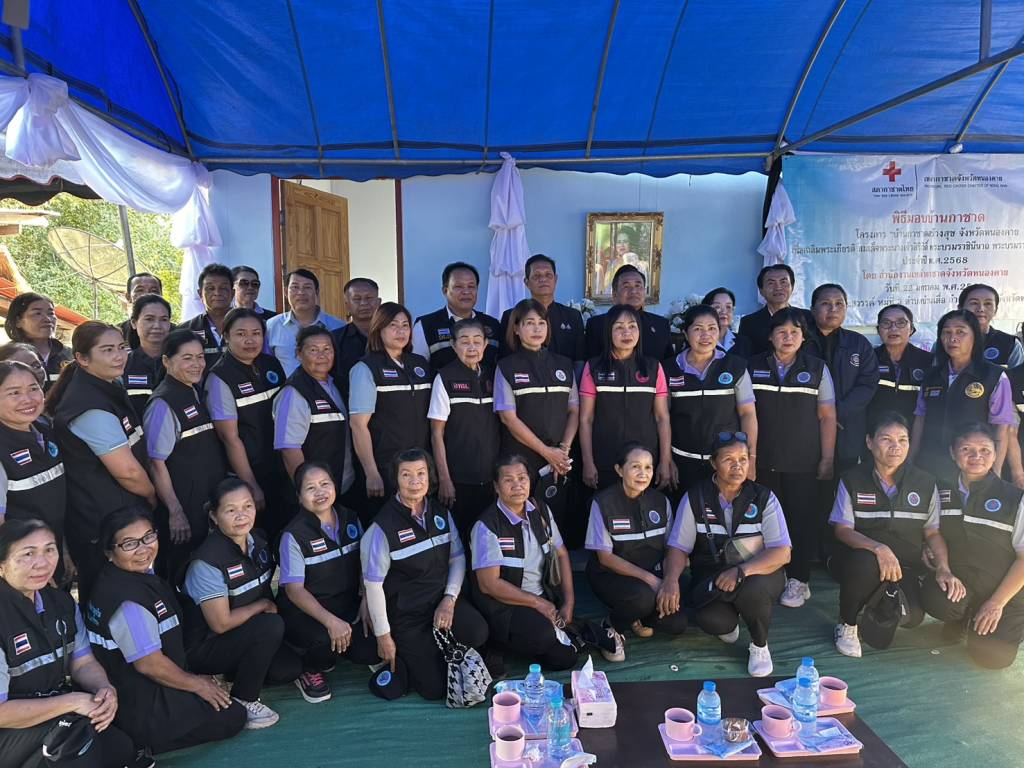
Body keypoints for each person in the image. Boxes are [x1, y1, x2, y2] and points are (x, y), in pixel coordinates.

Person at [85, 507, 246, 754]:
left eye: (148, 537)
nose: (143, 549)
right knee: (233, 717)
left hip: (139, 689)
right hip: (142, 703)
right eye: (129, 544)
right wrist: (198, 685)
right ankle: (141, 742)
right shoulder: (128, 602)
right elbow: (149, 665)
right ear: (109, 552)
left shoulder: (123, 577)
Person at [0, 519, 135, 768]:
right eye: (28, 554)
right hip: (9, 728)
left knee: (121, 748)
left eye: (49, 550)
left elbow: (83, 663)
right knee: (78, 748)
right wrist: (73, 702)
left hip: (53, 713)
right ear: (1, 565)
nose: (42, 563)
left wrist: (104, 689)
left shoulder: (61, 603)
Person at [828, 412, 960, 658]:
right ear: (869, 442)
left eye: (902, 440)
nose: (895, 447)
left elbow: (932, 532)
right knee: (863, 563)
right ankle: (847, 622)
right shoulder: (852, 478)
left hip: (904, 567)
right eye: (886, 439)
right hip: (861, 561)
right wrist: (879, 549)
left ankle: (876, 601)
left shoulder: (925, 482)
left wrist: (943, 567)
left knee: (913, 617)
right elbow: (843, 530)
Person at [360, 449, 488, 701]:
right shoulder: (381, 528)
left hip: (441, 605)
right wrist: (383, 636)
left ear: (430, 476)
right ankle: (409, 655)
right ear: (396, 480)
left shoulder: (441, 513)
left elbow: (457, 558)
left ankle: (434, 650)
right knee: (433, 689)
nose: (415, 481)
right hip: (407, 616)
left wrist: (449, 600)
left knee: (477, 631)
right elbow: (373, 586)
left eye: (421, 473)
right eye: (406, 475)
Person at [665, 433, 792, 677]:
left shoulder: (764, 497)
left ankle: (759, 645)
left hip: (758, 573)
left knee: (752, 589)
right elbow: (679, 547)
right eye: (728, 460)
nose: (737, 466)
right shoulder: (695, 497)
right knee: (711, 619)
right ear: (713, 463)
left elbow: (782, 552)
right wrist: (671, 580)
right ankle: (732, 617)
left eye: (743, 459)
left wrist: (741, 571)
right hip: (714, 574)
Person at [49, 322, 155, 604]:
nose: (119, 356)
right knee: (110, 599)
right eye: (107, 350)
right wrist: (152, 495)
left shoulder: (106, 385)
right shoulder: (89, 406)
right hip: (102, 521)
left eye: (121, 347)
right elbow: (128, 472)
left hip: (117, 513)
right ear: (82, 359)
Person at [181, 479, 301, 725]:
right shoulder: (206, 563)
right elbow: (221, 624)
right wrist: (262, 606)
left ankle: (229, 673)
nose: (242, 515)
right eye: (231, 510)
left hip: (243, 634)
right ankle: (244, 700)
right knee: (271, 625)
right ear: (214, 516)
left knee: (287, 669)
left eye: (248, 506)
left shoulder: (258, 541)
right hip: (205, 646)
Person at [746, 308, 837, 609]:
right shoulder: (752, 366)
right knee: (766, 520)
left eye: (794, 332)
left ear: (803, 337)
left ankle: (799, 579)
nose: (788, 338)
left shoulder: (817, 368)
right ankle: (772, 575)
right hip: (763, 461)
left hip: (803, 462)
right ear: (770, 336)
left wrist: (827, 458)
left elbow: (827, 416)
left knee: (800, 520)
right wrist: (749, 458)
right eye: (781, 332)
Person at [922, 423, 1024, 669]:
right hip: (962, 583)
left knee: (993, 659)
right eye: (966, 449)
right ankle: (962, 615)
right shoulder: (940, 490)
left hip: (1004, 592)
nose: (976, 456)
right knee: (938, 600)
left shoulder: (1015, 498)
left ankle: (1002, 619)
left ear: (996, 453)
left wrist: (996, 603)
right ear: (953, 452)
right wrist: (935, 557)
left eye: (985, 450)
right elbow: (933, 532)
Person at [278, 462, 379, 703]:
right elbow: (294, 591)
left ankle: (340, 644)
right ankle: (307, 667)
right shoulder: (293, 535)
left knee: (370, 650)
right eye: (310, 488)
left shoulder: (351, 518)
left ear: (335, 486)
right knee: (322, 645)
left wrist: (366, 600)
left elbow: (364, 564)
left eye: (325, 484)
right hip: (307, 613)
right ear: (299, 496)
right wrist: (330, 621)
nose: (320, 492)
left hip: (345, 605)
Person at [471, 455, 581, 671]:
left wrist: (569, 602)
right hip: (505, 605)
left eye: (522, 478)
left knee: (566, 658)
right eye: (508, 480)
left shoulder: (540, 510)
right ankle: (496, 644)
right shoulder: (487, 525)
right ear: (496, 486)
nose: (517, 485)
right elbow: (488, 585)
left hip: (542, 596)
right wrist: (538, 604)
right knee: (542, 636)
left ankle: (534, 637)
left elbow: (562, 554)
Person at [144, 330, 228, 574]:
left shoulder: (193, 390)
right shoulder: (163, 403)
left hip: (203, 504)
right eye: (187, 358)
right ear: (166, 361)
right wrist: (175, 511)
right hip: (184, 512)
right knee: (179, 572)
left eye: (200, 357)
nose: (197, 364)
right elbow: (155, 463)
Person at [585, 443, 686, 642]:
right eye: (635, 467)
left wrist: (668, 581)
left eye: (648, 467)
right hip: (612, 576)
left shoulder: (661, 501)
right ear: (619, 470)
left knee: (677, 623)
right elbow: (605, 559)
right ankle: (611, 626)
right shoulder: (602, 502)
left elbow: (671, 550)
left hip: (653, 577)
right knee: (642, 598)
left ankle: (636, 616)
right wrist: (652, 581)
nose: (643, 474)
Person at [205, 308, 288, 534]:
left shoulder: (271, 364)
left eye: (256, 333)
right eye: (241, 334)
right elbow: (229, 438)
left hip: (280, 466)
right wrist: (250, 484)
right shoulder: (220, 378)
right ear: (226, 336)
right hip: (251, 473)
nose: (250, 340)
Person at [910, 309, 1014, 483]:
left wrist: (994, 473)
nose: (952, 338)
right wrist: (911, 460)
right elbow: (920, 419)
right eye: (946, 332)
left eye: (960, 332)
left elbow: (1001, 428)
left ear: (975, 336)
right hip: (930, 463)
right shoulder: (932, 376)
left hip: (973, 467)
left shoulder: (993, 376)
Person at [663, 304, 757, 495]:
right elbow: (663, 418)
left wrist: (751, 458)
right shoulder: (668, 368)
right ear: (686, 333)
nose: (706, 335)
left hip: (727, 464)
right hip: (683, 462)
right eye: (698, 329)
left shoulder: (735, 366)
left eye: (712, 328)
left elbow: (748, 414)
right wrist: (666, 460)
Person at [579, 304, 672, 491]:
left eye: (632, 326)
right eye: (619, 327)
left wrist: (665, 461)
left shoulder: (653, 367)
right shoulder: (593, 367)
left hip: (645, 461)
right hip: (605, 458)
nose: (626, 332)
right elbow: (586, 419)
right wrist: (588, 462)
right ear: (608, 332)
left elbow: (662, 417)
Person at [349, 303, 432, 500]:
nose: (400, 331)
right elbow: (358, 425)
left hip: (420, 466)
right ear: (379, 328)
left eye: (405, 325)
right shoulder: (366, 368)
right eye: (393, 325)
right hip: (387, 467)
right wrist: (371, 473)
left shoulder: (420, 364)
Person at [429, 318, 499, 539]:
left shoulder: (494, 375)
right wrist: (445, 479)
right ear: (453, 345)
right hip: (459, 480)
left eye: (477, 341)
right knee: (462, 540)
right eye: (465, 341)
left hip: (491, 478)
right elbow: (436, 433)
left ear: (485, 344)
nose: (472, 347)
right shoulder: (445, 378)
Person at [803, 283, 879, 474]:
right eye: (826, 304)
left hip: (847, 427)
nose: (833, 309)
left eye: (839, 304)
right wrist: (820, 414)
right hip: (808, 427)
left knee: (844, 483)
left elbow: (868, 382)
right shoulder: (800, 341)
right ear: (812, 309)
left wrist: (837, 412)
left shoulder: (858, 343)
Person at [273, 325, 354, 501]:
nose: (321, 356)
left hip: (342, 485)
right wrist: (306, 491)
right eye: (313, 350)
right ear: (299, 353)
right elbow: (289, 449)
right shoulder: (294, 393)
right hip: (316, 495)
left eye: (327, 349)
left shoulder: (337, 384)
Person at [0, 362, 66, 571]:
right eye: (14, 393)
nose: (28, 399)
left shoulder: (45, 428)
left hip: (53, 552)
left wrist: (63, 549)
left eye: (33, 388)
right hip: (23, 567)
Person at [498, 254, 585, 366]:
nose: (543, 279)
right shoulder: (512, 315)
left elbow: (579, 361)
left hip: (565, 376)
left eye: (548, 275)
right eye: (536, 276)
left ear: (555, 279)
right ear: (526, 282)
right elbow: (505, 359)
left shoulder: (572, 316)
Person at [412, 261, 500, 369]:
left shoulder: (493, 324)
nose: (466, 292)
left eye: (471, 286)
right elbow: (416, 369)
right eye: (458, 287)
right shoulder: (425, 326)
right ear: (445, 290)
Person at [867, 304, 934, 432]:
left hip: (915, 434)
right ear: (878, 329)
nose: (893, 328)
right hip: (875, 434)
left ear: (911, 329)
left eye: (901, 323)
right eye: (886, 323)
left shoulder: (928, 361)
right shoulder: (868, 359)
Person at [266, 269, 345, 377]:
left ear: (317, 292)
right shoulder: (272, 326)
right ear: (285, 292)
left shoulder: (338, 327)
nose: (301, 292)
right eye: (295, 287)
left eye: (307, 287)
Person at [584, 265, 673, 360]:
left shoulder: (661, 324)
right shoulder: (596, 325)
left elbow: (669, 363)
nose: (634, 291)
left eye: (638, 285)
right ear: (614, 294)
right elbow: (591, 364)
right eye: (626, 286)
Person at [737, 264, 815, 357]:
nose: (778, 287)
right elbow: (744, 358)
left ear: (792, 287)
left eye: (783, 282)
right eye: (771, 283)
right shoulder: (749, 323)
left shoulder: (808, 317)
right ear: (761, 291)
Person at [4, 292, 72, 391]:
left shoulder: (71, 355)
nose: (47, 319)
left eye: (51, 313)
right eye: (37, 313)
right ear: (18, 321)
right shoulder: (7, 357)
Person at [122, 294, 172, 421]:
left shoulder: (180, 363)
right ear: (134, 323)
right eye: (149, 319)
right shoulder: (122, 365)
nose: (157, 325)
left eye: (164, 319)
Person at [331, 277, 381, 401]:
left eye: (369, 298)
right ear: (347, 305)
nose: (363, 303)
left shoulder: (393, 336)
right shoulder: (334, 340)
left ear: (379, 302)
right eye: (357, 299)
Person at [178, 263, 234, 371]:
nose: (217, 293)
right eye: (210, 288)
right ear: (200, 294)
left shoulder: (250, 326)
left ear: (233, 293)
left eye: (223, 288)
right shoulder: (185, 330)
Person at [959, 284, 1024, 368]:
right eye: (974, 303)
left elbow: (1018, 375)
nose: (981, 309)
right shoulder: (947, 340)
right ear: (960, 308)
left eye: (988, 303)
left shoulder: (1010, 344)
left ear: (996, 310)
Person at [703, 287, 751, 358]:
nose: (724, 311)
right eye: (717, 307)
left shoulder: (744, 343)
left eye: (728, 307)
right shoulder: (701, 341)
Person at [120, 272, 163, 350]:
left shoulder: (175, 333)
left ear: (161, 296)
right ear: (128, 297)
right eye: (140, 290)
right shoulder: (117, 333)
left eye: (154, 291)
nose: (147, 294)